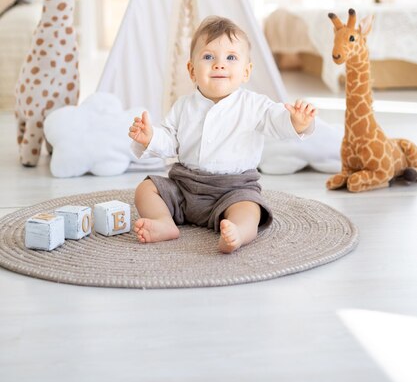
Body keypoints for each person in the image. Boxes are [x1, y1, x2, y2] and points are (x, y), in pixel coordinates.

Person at [129, 16, 317, 253]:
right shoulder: (183, 106)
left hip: (233, 189)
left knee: (250, 208)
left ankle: (238, 232)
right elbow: (170, 139)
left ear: (246, 71)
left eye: (231, 58)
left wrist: (296, 122)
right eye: (208, 57)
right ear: (192, 70)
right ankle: (164, 222)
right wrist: (150, 137)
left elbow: (275, 119)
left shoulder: (254, 105)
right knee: (146, 189)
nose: (219, 64)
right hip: (185, 186)